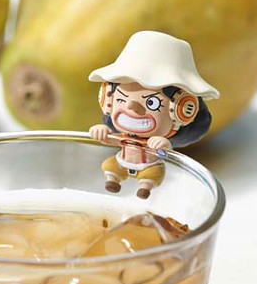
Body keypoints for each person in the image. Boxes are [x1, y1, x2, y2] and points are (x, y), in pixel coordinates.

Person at [88, 31, 220, 199]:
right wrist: (101, 132)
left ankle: (145, 187)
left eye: (151, 103)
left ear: (182, 111)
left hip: (149, 166)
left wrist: (165, 145)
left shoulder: (159, 142)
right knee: (110, 165)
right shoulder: (122, 131)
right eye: (121, 99)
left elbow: (165, 155)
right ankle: (113, 179)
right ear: (107, 100)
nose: (130, 106)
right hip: (122, 160)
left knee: (152, 173)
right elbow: (109, 139)